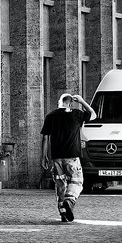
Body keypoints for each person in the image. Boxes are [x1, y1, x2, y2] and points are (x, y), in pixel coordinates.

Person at [40, 91, 97, 222]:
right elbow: (93, 114)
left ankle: (63, 213)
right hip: (72, 157)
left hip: (56, 158)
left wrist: (44, 157)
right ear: (71, 104)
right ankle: (69, 201)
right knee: (76, 182)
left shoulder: (51, 116)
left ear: (59, 103)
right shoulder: (77, 114)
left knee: (60, 185)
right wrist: (82, 101)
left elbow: (45, 138)